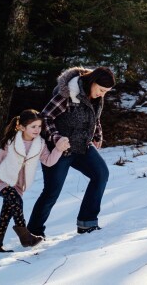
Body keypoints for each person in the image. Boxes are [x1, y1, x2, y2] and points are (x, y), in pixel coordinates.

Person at [26, 66, 114, 237]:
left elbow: (95, 118)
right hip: (60, 150)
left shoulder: (96, 97)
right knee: (52, 192)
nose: (102, 94)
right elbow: (45, 117)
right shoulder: (67, 94)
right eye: (101, 90)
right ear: (93, 82)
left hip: (82, 147)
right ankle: (33, 233)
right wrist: (56, 138)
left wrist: (97, 134)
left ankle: (87, 223)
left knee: (101, 174)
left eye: (106, 92)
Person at [0, 110, 70, 253]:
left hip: (19, 185)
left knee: (6, 213)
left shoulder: (40, 144)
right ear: (22, 127)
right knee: (16, 202)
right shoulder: (11, 142)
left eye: (39, 126)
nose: (37, 130)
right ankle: (25, 236)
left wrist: (58, 149)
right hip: (3, 180)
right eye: (33, 126)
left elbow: (48, 161)